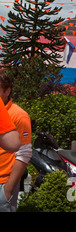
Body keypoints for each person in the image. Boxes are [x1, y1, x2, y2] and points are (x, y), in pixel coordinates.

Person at [0, 70, 32, 212]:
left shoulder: (19, 115)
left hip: (3, 183)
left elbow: (24, 154)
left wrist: (8, 189)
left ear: (7, 91)